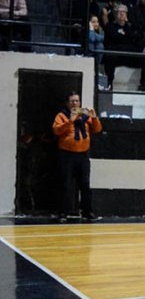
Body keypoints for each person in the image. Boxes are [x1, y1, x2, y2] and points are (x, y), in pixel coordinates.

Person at [52, 92, 102, 223]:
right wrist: (70, 121)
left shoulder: (85, 114)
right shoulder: (61, 115)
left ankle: (87, 211)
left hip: (83, 155)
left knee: (85, 184)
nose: (75, 103)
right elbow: (56, 131)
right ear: (67, 103)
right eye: (72, 101)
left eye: (77, 101)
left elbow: (97, 130)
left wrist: (95, 117)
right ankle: (63, 212)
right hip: (67, 155)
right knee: (65, 184)